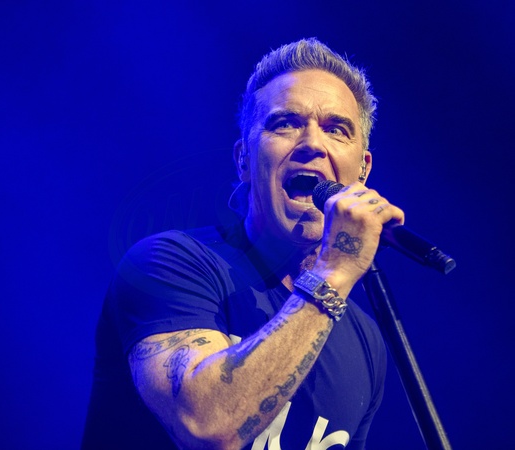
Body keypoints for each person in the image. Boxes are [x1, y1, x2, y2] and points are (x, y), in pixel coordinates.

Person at [81, 37, 405, 449]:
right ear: (244, 160)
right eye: (285, 123)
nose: (312, 143)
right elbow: (209, 426)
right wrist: (334, 272)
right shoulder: (164, 266)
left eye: (336, 129)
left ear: (362, 170)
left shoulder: (366, 342)